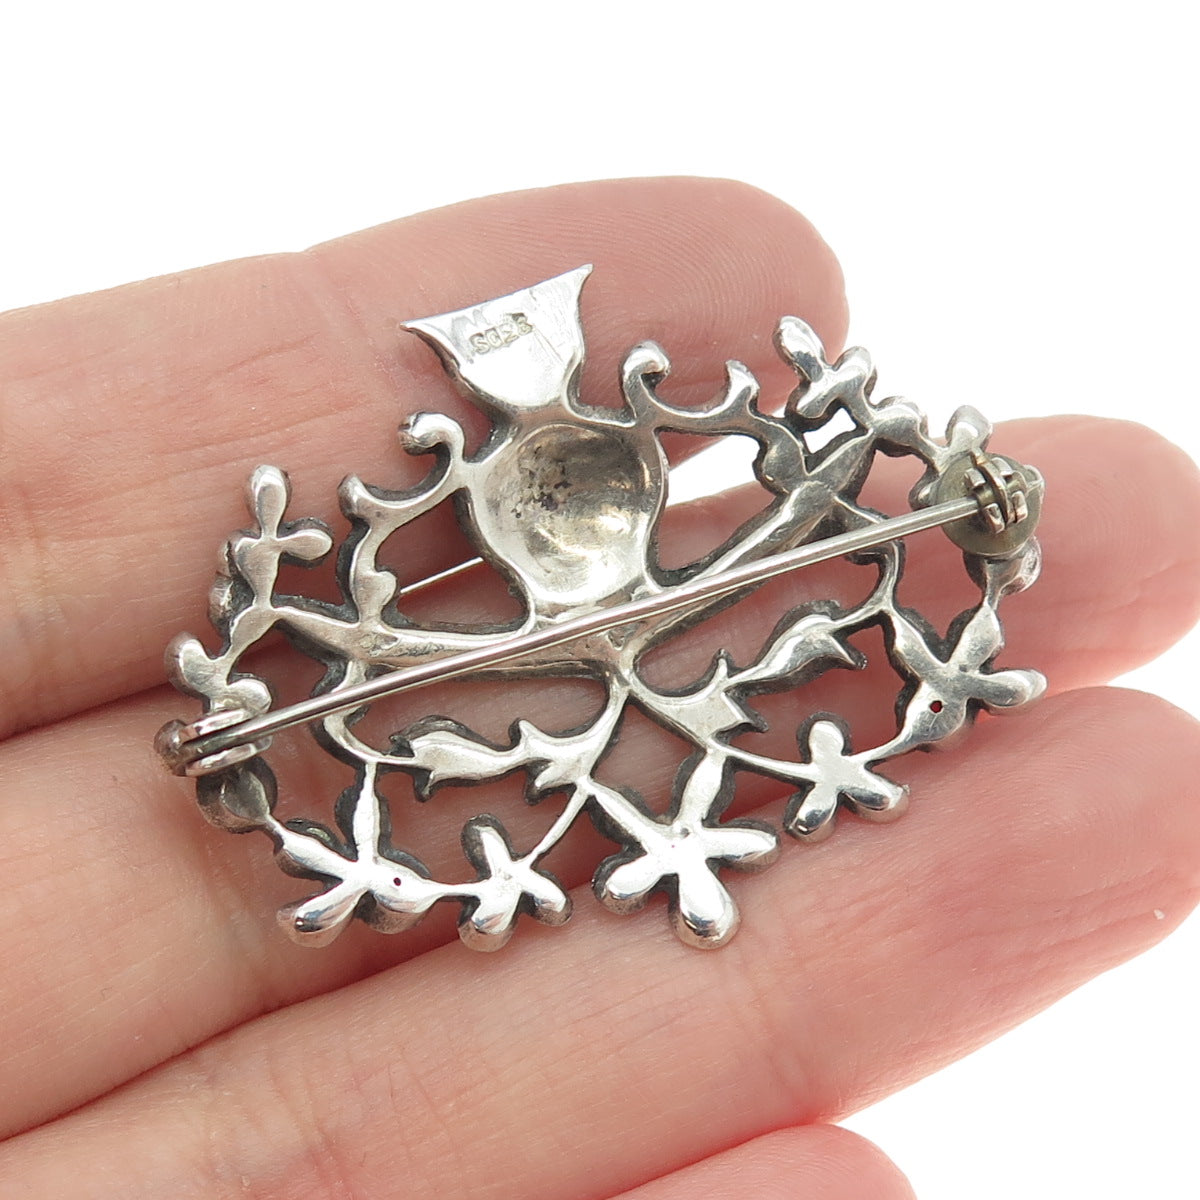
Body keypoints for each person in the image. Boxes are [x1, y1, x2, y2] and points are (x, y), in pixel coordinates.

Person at [0, 177, 1196, 1199]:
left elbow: (795, 512)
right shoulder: (502, 488)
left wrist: (968, 505)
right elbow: (394, 643)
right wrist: (253, 716)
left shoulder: (629, 457)